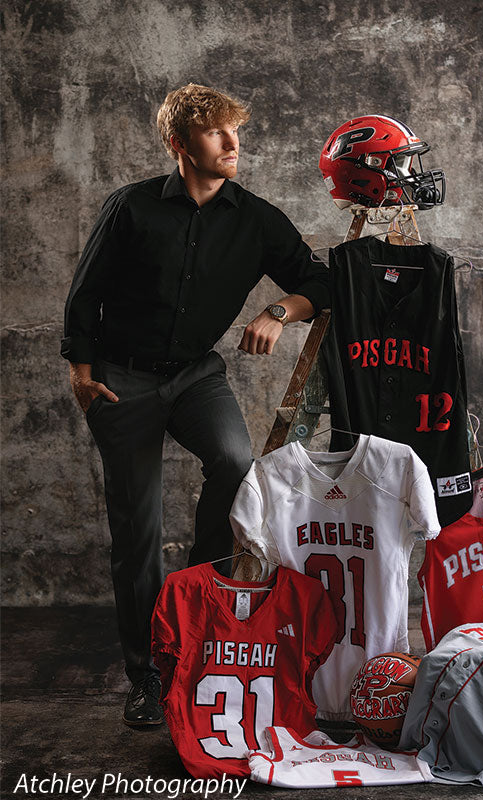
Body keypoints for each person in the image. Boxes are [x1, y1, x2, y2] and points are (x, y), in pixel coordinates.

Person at [61, 84, 329, 728]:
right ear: (179, 144)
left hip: (195, 376)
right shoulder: (130, 208)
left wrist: (279, 310)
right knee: (138, 532)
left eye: (237, 132)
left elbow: (317, 280)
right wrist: (81, 372)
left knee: (237, 461)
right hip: (121, 381)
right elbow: (85, 291)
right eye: (217, 134)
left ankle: (186, 610)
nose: (234, 145)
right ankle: (147, 676)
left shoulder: (255, 218)